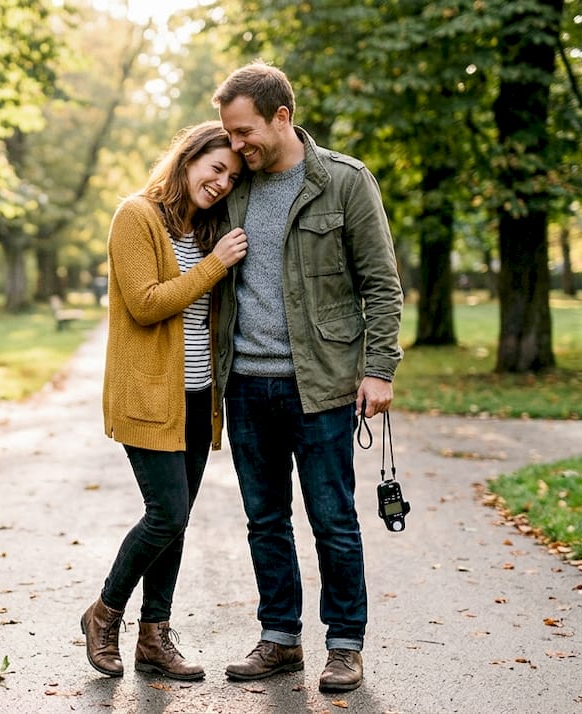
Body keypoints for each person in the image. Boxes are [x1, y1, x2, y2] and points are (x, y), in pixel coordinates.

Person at [211, 61, 404, 692]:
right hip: (244, 385)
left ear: (281, 117)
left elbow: (381, 283)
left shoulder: (344, 182)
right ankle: (280, 638)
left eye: (243, 132)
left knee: (332, 518)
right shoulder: (233, 186)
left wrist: (379, 370)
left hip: (318, 385)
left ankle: (345, 643)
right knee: (264, 520)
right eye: (228, 134)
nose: (235, 146)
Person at [81, 121, 248, 681]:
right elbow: (146, 303)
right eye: (215, 168)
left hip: (198, 399)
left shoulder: (208, 230)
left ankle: (155, 636)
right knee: (167, 513)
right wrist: (215, 265)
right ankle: (104, 613)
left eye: (232, 175)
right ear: (188, 158)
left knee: (176, 521)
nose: (222, 182)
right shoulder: (136, 216)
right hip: (149, 396)